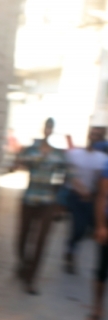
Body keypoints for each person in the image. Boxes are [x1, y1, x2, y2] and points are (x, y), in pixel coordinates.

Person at [14, 118, 69, 294]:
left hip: (47, 202)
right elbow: (18, 162)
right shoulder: (32, 149)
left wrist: (59, 199)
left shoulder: (58, 154)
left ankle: (31, 278)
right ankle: (23, 263)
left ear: (53, 130)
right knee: (22, 236)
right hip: (29, 198)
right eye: (46, 127)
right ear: (43, 128)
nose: (48, 130)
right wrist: (16, 162)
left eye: (51, 127)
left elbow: (67, 175)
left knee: (41, 241)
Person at [63, 126, 108, 273]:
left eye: (98, 134)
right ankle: (71, 253)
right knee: (78, 227)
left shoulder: (102, 159)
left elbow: (101, 181)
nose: (94, 136)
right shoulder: (75, 154)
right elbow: (69, 174)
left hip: (92, 199)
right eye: (93, 133)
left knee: (84, 230)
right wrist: (79, 190)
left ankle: (72, 248)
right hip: (76, 197)